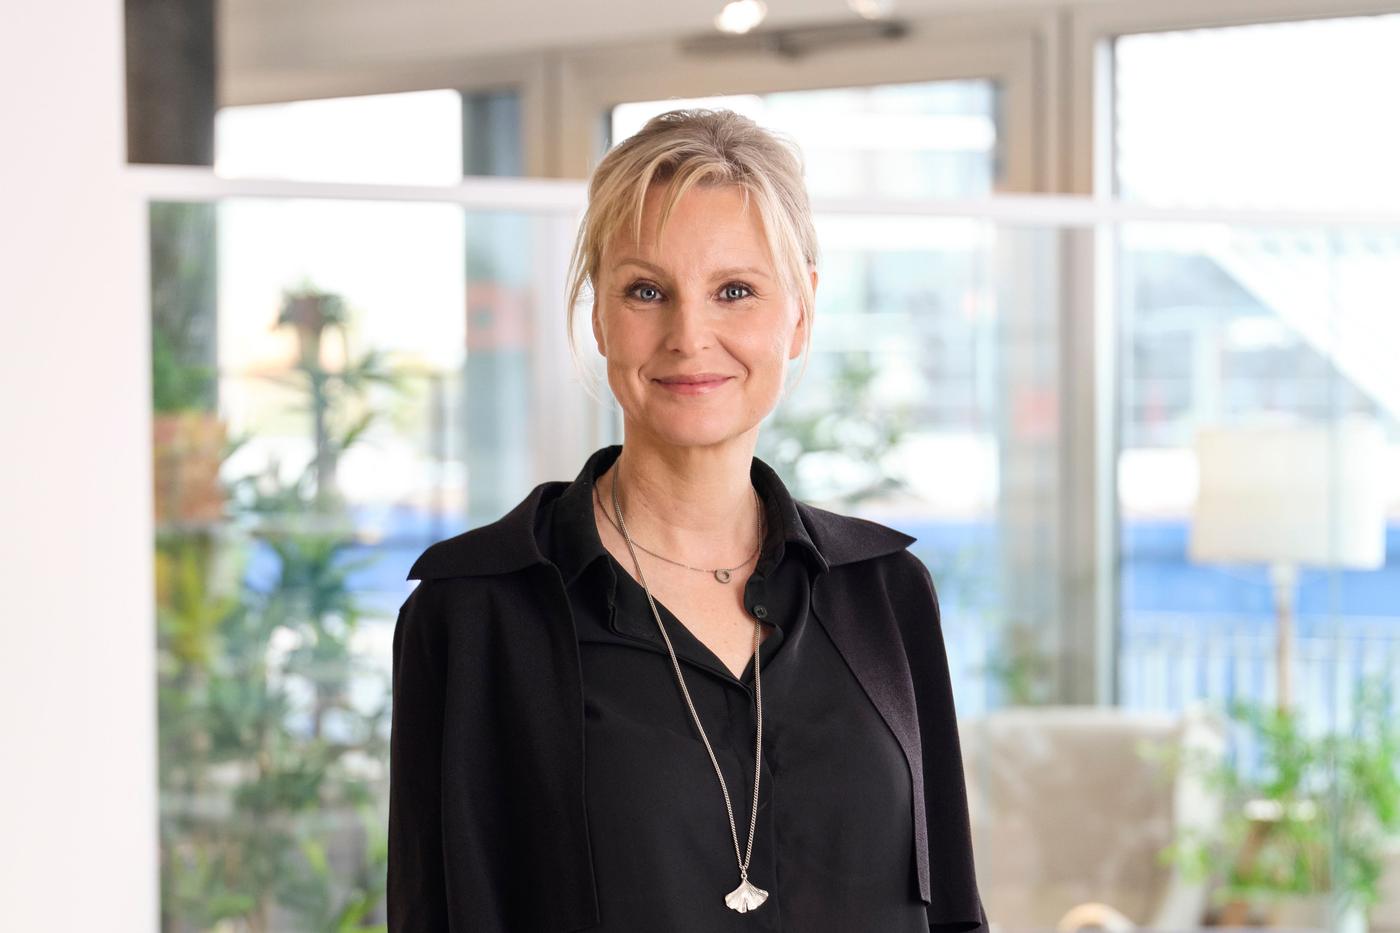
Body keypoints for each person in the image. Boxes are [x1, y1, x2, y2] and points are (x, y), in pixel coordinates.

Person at [387, 108, 988, 932]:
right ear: (599, 314)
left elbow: (953, 908)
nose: (689, 335)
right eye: (646, 290)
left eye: (735, 291)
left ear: (802, 311)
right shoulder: (475, 613)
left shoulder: (884, 593)